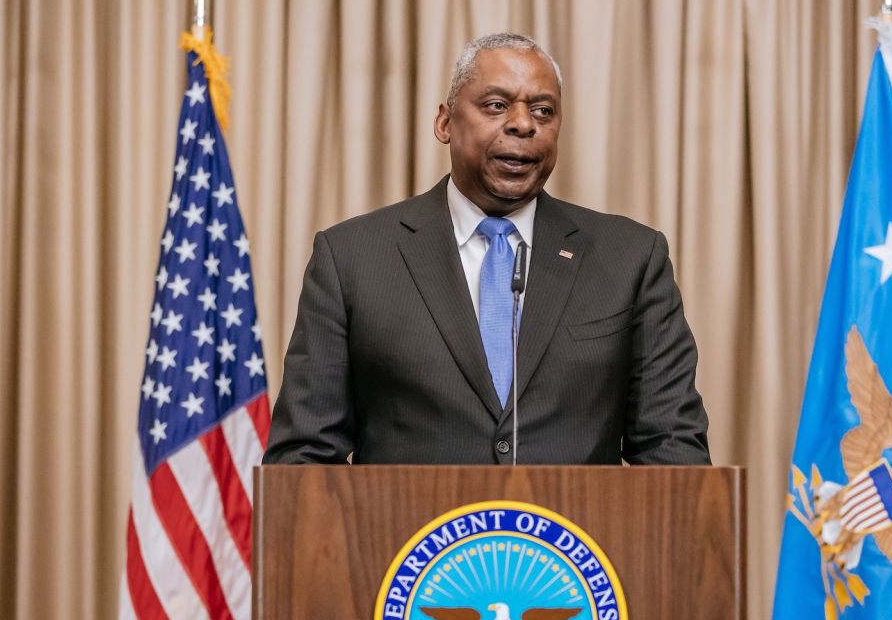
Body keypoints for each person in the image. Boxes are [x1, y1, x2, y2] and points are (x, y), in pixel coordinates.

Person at [264, 33, 709, 465]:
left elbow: (673, 452)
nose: (523, 123)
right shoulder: (352, 259)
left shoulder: (630, 259)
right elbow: (303, 460)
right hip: (406, 541)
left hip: (574, 541)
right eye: (497, 105)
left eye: (543, 110)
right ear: (444, 122)